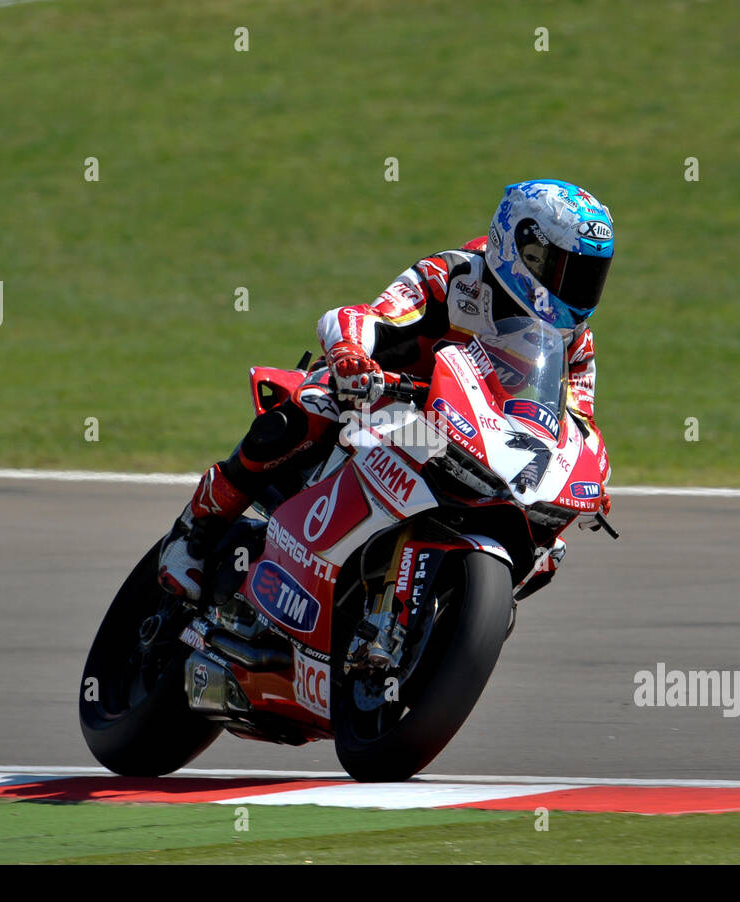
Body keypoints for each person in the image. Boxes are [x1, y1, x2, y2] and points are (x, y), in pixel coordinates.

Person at [157, 178, 615, 600]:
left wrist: (587, 476)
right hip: (391, 406)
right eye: (566, 269)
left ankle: (443, 620)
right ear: (523, 248)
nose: (577, 288)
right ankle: (195, 530)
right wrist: (350, 356)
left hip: (482, 443)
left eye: (590, 274)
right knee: (310, 407)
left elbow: (579, 420)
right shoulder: (454, 275)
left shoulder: (573, 336)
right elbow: (360, 317)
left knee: (548, 548)